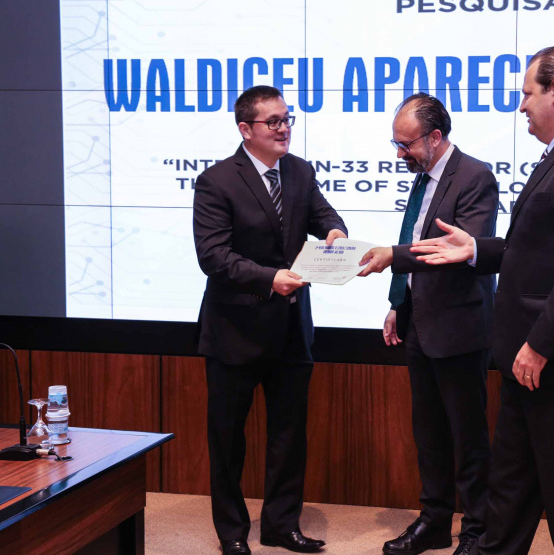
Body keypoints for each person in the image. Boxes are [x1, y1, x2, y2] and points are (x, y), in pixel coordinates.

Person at [411, 45, 554, 555]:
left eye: (528, 94)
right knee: (509, 489)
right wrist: (475, 249)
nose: (521, 106)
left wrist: (539, 345)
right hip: (523, 359)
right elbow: (537, 251)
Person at [193, 85, 347, 555]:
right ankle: (233, 533)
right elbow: (213, 257)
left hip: (290, 331)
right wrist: (269, 278)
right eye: (274, 122)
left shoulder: (299, 171)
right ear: (246, 129)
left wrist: (336, 231)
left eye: (287, 119)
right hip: (234, 330)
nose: (284, 129)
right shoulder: (217, 181)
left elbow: (324, 216)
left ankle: (282, 526)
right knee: (228, 442)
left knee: (288, 437)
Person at [358, 93, 498, 555]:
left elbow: (456, 254)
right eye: (395, 144)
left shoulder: (475, 176)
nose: (400, 154)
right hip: (420, 323)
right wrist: (399, 302)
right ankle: (435, 522)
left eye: (407, 144)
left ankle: (477, 532)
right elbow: (413, 237)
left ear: (435, 138)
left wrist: (391, 259)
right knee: (430, 435)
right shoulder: (422, 177)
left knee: (468, 438)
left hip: (459, 330)